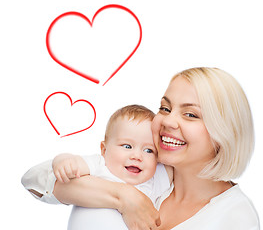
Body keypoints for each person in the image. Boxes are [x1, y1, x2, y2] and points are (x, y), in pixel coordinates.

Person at [23, 67, 260, 230]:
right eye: (165, 108)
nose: (167, 121)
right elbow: (36, 181)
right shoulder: (144, 169)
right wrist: (124, 197)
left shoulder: (236, 216)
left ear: (224, 132)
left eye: (190, 114)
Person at [21, 104, 173, 229]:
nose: (137, 156)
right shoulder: (99, 166)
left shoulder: (152, 180)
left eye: (148, 150)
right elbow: (70, 164)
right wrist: (62, 160)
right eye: (127, 146)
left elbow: (181, 166)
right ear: (104, 150)